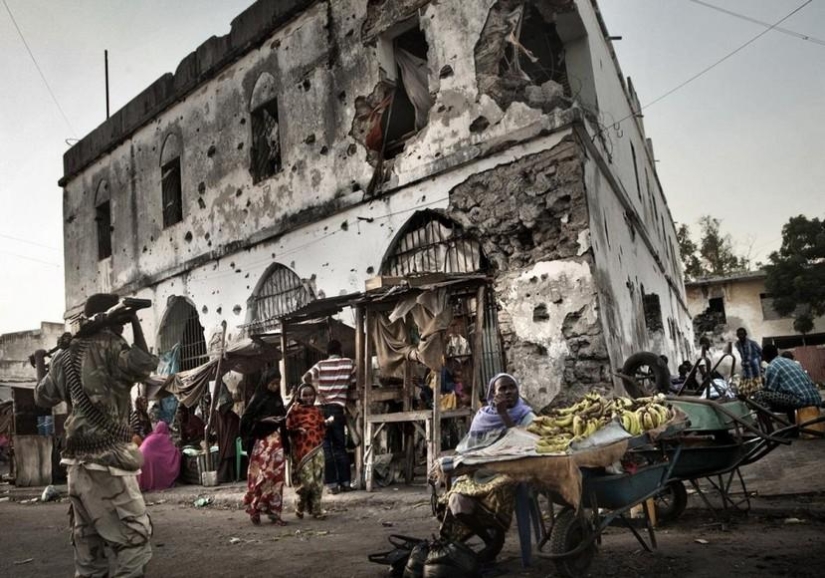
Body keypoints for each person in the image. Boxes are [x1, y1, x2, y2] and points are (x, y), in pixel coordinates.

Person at [34, 293, 157, 577]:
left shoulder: (65, 355)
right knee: (134, 542)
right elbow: (144, 364)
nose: (125, 326)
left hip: (76, 467)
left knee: (89, 555)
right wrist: (136, 321)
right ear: (115, 318)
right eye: (124, 320)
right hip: (107, 465)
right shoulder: (112, 346)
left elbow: (43, 396)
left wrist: (41, 360)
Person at [440, 373, 535, 563]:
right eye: (502, 388)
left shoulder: (526, 415)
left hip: (509, 470)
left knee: (500, 489)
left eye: (511, 387)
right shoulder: (482, 416)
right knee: (456, 501)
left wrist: (504, 415)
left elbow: (525, 442)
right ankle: (490, 539)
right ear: (493, 393)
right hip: (478, 470)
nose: (508, 391)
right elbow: (470, 446)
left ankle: (496, 536)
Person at [302, 339, 355, 494]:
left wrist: (317, 393)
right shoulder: (349, 363)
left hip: (320, 409)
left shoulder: (320, 365)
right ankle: (345, 483)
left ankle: (332, 485)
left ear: (328, 352)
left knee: (326, 447)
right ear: (340, 350)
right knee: (340, 446)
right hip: (337, 409)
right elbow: (353, 382)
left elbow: (305, 378)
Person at [240, 370, 289, 525]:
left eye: (277, 384)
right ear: (265, 383)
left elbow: (283, 423)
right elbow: (246, 421)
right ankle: (255, 507)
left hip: (277, 443)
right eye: (272, 383)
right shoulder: (258, 398)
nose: (275, 387)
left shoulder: (277, 400)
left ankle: (274, 512)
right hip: (262, 444)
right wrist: (264, 420)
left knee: (277, 479)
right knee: (263, 477)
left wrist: (286, 444)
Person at [286, 384, 329, 519]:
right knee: (307, 482)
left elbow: (321, 427)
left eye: (310, 395)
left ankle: (316, 510)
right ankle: (300, 504)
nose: (308, 398)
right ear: (299, 396)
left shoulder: (317, 411)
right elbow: (288, 428)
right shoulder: (294, 411)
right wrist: (298, 430)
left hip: (317, 448)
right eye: (305, 395)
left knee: (318, 480)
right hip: (302, 451)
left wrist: (327, 423)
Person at [752, 344, 821, 411]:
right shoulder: (791, 361)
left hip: (801, 400)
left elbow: (770, 390)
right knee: (786, 394)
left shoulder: (772, 366)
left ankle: (770, 420)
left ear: (764, 356)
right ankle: (792, 421)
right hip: (816, 398)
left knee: (759, 394)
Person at [138, 422, 180, 492]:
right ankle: (158, 483)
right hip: (149, 459)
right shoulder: (164, 438)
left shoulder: (150, 436)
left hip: (140, 458)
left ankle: (145, 485)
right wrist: (178, 452)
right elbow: (171, 453)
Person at [735, 328, 763, 397]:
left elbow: (762, 352)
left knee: (757, 390)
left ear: (745, 334)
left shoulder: (752, 343)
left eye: (742, 334)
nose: (741, 336)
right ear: (737, 335)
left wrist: (758, 362)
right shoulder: (737, 344)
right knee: (744, 391)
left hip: (755, 370)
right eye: (739, 334)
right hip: (746, 369)